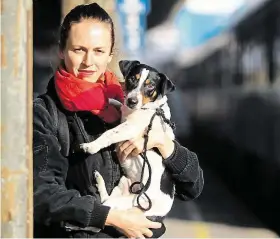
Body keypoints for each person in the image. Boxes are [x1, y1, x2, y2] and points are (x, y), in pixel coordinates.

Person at [33, 3, 204, 238]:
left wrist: (164, 144)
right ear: (61, 50)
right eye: (78, 49)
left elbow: (192, 186)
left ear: (110, 54)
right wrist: (110, 216)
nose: (88, 61)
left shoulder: (132, 107)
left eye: (99, 51)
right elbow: (40, 193)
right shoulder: (45, 113)